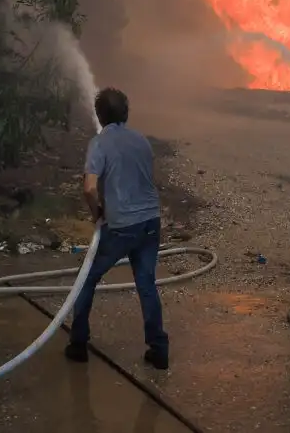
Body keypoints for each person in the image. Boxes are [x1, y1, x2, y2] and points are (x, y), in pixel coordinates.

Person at [64, 87, 170, 369]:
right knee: (146, 283)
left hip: (121, 225)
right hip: (150, 222)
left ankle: (78, 343)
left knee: (87, 278)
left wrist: (97, 212)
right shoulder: (142, 141)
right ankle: (159, 349)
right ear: (126, 112)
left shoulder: (99, 144)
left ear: (100, 115)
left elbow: (89, 188)